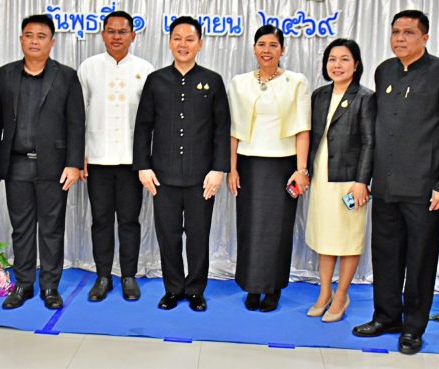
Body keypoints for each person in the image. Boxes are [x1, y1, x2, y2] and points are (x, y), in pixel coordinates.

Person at [352, 10, 439, 355]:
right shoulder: (384, 70)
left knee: (420, 261)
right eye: (396, 32)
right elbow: (376, 131)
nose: (400, 38)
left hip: (424, 189)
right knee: (386, 255)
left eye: (409, 32)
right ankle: (386, 317)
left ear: (425, 37)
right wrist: (366, 178)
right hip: (385, 185)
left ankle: (414, 327)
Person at [133, 16, 230, 312]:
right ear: (169, 42)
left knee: (199, 237)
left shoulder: (213, 80)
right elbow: (143, 127)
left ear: (200, 44)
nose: (183, 44)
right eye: (177, 38)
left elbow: (221, 128)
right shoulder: (156, 80)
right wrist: (143, 166)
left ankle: (196, 290)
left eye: (189, 39)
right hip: (163, 176)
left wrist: (218, 169)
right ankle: (173, 289)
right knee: (169, 236)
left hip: (202, 177)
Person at [0, 14, 84, 310]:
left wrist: (74, 163)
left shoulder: (66, 76)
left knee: (51, 228)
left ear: (52, 42)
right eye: (29, 35)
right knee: (21, 228)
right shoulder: (3, 75)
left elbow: (76, 123)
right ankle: (23, 284)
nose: (34, 41)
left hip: (54, 166)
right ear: (21, 39)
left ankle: (50, 286)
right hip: (16, 163)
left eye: (41, 36)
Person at [227, 25, 311, 313]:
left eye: (273, 45)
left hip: (283, 166)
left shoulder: (295, 82)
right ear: (253, 48)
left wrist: (301, 170)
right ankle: (252, 286)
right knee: (249, 227)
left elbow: (302, 129)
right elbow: (233, 130)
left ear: (282, 49)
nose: (267, 50)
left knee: (278, 230)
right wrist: (232, 168)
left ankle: (273, 288)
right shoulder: (239, 83)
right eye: (261, 44)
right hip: (248, 164)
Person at [77, 11, 154, 302]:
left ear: (133, 35)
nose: (116, 37)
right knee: (101, 221)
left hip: (132, 162)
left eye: (122, 32)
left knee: (130, 221)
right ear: (103, 34)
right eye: (111, 31)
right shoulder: (89, 67)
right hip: (97, 160)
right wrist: (80, 155)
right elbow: (78, 116)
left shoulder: (145, 69)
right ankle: (103, 276)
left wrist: (147, 160)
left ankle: (129, 276)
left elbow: (151, 121)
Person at [306, 38, 375, 322]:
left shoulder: (365, 97)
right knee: (324, 237)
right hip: (321, 177)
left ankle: (342, 294)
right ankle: (325, 292)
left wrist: (362, 181)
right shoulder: (319, 95)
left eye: (344, 59)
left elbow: (370, 142)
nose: (337, 65)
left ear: (356, 64)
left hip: (349, 181)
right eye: (332, 59)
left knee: (348, 239)